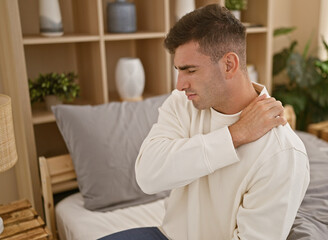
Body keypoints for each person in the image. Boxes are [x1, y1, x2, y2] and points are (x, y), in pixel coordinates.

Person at [101, 4, 309, 240]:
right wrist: (234, 135)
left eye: (189, 70)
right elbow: (147, 176)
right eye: (178, 70)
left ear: (229, 65)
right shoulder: (183, 103)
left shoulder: (282, 152)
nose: (180, 84)